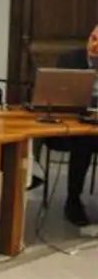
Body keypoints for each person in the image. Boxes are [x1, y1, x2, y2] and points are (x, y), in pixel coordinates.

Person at [50, 24, 98, 226]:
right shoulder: (70, 60)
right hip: (74, 122)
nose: (95, 45)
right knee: (84, 144)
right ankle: (73, 202)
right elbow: (59, 95)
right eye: (93, 38)